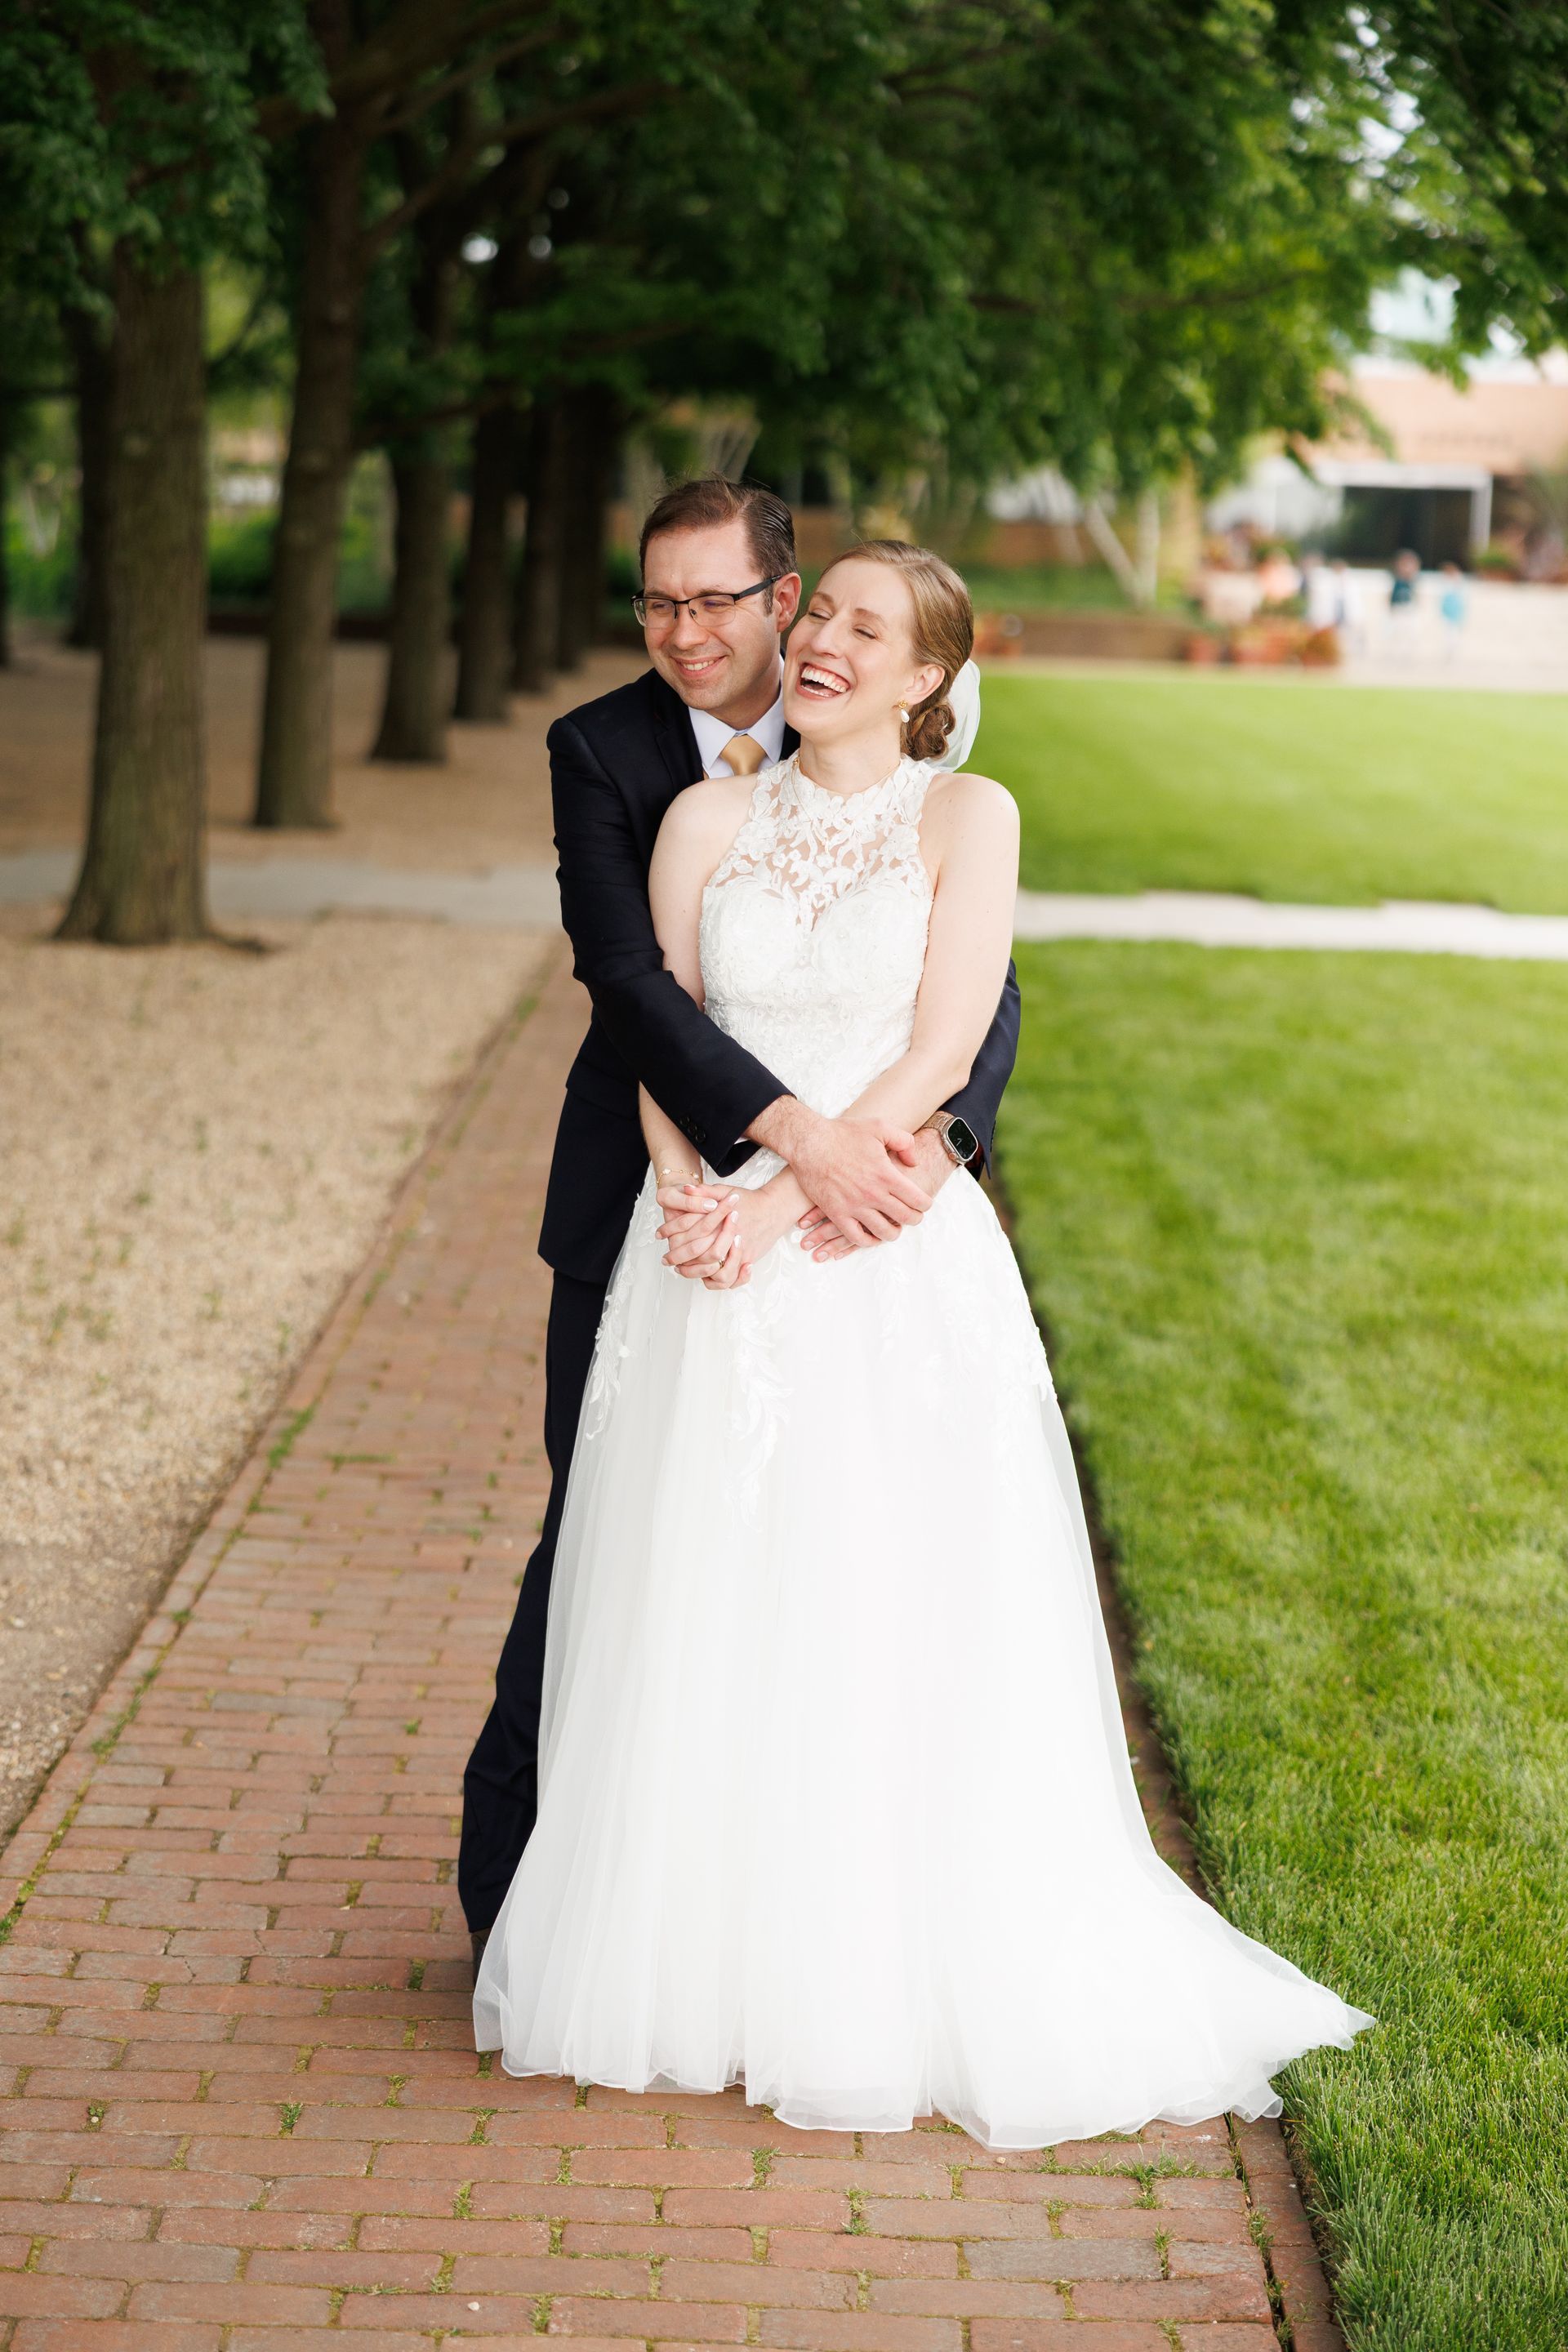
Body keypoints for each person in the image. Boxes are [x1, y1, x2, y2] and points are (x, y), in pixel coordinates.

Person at [472, 536, 1372, 2145]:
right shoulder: (699, 818)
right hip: (705, 1267)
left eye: (860, 626)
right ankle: (700, 1962)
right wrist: (696, 1201)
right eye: (818, 610)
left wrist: (790, 1202)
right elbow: (652, 1030)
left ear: (927, 677)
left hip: (876, 1247)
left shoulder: (972, 817)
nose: (818, 638)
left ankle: (879, 1966)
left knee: (879, 1591)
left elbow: (950, 1040)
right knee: (703, 1593)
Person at [457, 481, 1019, 1958]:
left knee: (872, 1561)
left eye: (720, 600)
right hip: (674, 1209)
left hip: (868, 1219)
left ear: (781, 601)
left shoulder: (939, 795)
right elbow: (638, 991)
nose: (684, 630)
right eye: (656, 601)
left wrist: (927, 1144)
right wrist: (751, 1180)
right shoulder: (616, 757)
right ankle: (530, 1900)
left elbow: (975, 1004)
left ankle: (852, 1915)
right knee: (616, 1543)